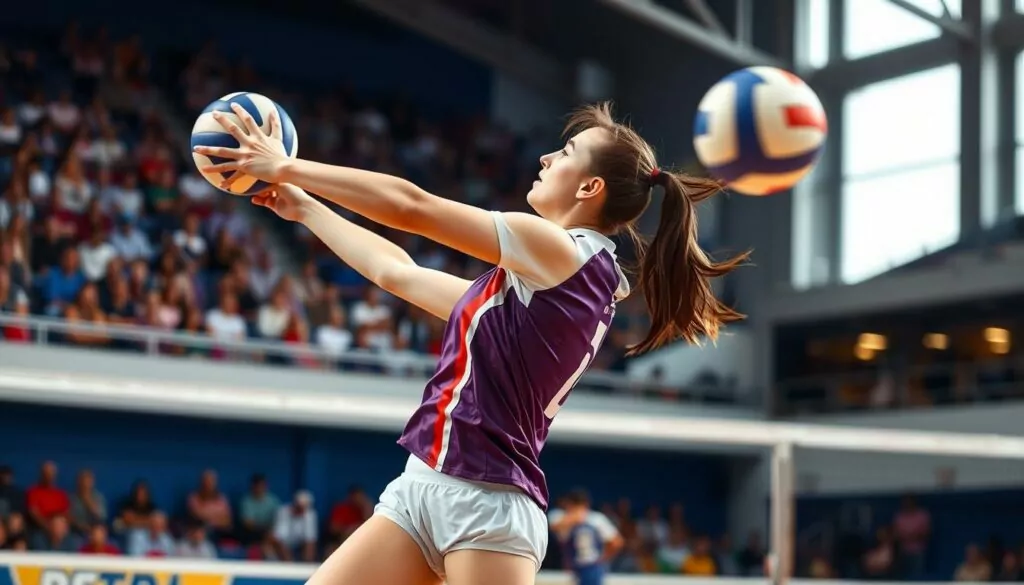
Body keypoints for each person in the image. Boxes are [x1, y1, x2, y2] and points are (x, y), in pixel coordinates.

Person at [194, 101, 745, 585]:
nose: (546, 159)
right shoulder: (532, 284)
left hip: (490, 504)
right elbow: (398, 274)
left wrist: (286, 165)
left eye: (566, 151)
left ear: (589, 188)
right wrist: (305, 206)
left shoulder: (565, 254)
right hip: (422, 487)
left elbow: (414, 207)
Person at [549, 489, 623, 585]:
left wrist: (603, 558)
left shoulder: (596, 519)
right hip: (567, 566)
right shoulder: (559, 516)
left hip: (591, 567)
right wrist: (575, 518)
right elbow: (553, 527)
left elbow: (617, 542)